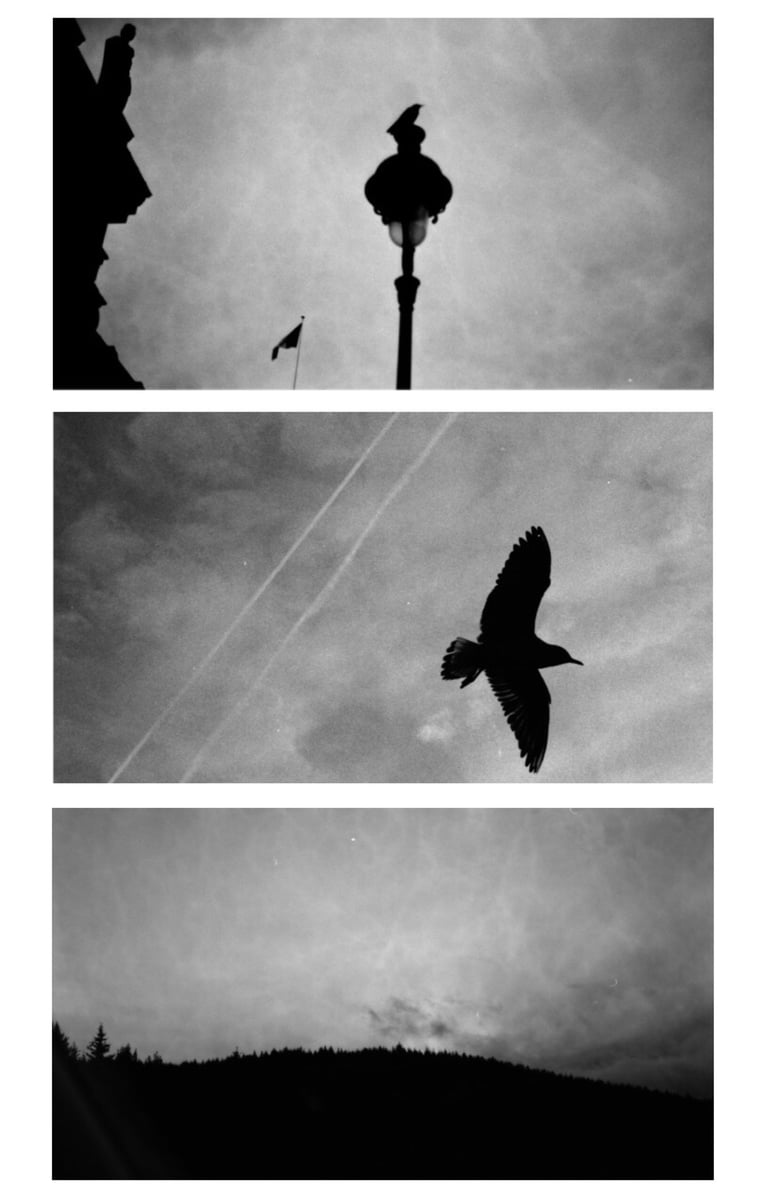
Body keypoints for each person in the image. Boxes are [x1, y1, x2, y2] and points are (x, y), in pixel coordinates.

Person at [97, 23, 137, 113]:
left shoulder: (129, 51)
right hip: (112, 81)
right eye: (130, 32)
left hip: (122, 84)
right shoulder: (113, 42)